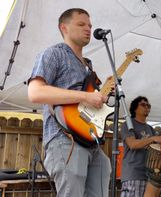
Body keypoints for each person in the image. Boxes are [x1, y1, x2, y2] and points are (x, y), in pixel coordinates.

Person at [28, 8, 111, 197]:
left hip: (91, 141)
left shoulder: (88, 64)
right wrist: (86, 97)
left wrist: (100, 97)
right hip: (65, 139)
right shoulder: (53, 54)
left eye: (90, 25)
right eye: (81, 24)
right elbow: (35, 92)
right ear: (63, 27)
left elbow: (87, 103)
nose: (88, 29)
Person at [120, 96, 161, 197]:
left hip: (150, 176)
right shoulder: (128, 124)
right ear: (135, 108)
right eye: (143, 105)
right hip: (134, 174)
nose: (147, 107)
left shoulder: (150, 129)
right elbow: (132, 144)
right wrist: (152, 139)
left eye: (149, 105)